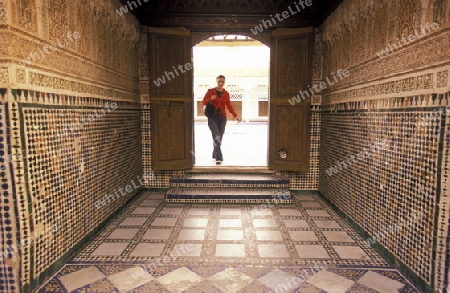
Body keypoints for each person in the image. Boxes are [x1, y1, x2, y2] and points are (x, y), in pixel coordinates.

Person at [202, 75, 240, 165]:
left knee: (219, 138)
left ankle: (214, 154)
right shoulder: (210, 91)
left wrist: (235, 115)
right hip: (212, 118)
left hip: (222, 118)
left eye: (222, 81)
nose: (220, 83)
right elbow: (203, 101)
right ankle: (219, 158)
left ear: (224, 82)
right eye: (219, 81)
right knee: (217, 137)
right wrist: (210, 98)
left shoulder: (226, 94)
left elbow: (229, 105)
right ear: (216, 81)